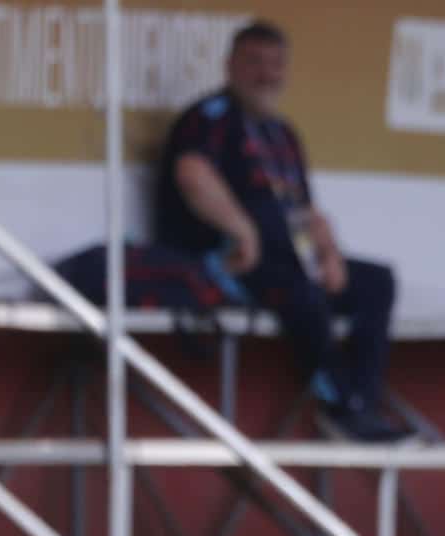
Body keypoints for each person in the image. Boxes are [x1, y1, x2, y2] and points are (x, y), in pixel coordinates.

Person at [154, 21, 412, 444]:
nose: (265, 74)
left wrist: (327, 255)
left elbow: (302, 213)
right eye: (254, 62)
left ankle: (362, 404)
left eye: (275, 64)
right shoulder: (210, 117)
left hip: (288, 260)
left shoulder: (283, 133)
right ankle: (340, 408)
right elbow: (192, 174)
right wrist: (242, 229)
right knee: (300, 293)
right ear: (230, 66)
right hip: (231, 263)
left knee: (374, 282)